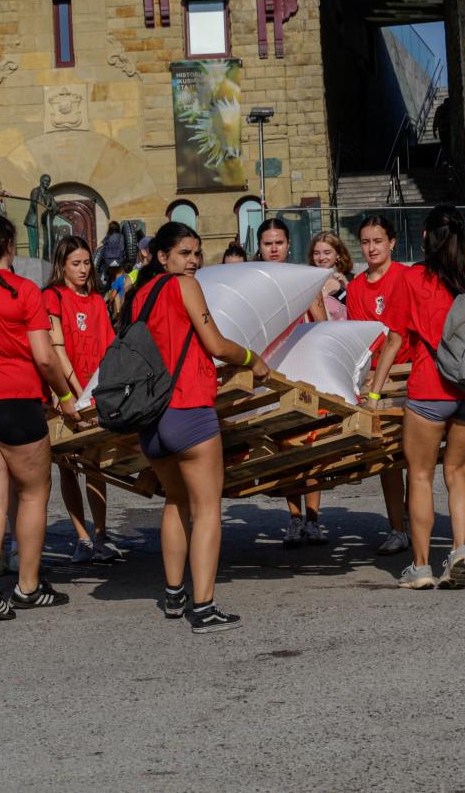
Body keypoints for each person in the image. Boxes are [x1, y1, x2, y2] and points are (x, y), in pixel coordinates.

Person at [125, 221, 270, 633]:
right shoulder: (183, 287)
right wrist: (251, 358)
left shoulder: (139, 297)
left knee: (175, 502)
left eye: (196, 253)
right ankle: (203, 607)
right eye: (184, 253)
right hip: (188, 408)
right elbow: (215, 343)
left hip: (151, 419)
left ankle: (174, 595)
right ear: (162, 256)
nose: (192, 260)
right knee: (207, 510)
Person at [0, 213, 80, 621]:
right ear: (10, 245)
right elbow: (44, 357)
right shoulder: (25, 291)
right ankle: (27, 586)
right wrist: (64, 395)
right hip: (15, 398)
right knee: (32, 493)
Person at [363, 205, 465, 591]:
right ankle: (460, 549)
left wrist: (376, 390)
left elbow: (395, 338)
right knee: (457, 472)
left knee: (419, 475)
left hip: (431, 388)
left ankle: (420, 567)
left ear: (425, 236)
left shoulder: (415, 279)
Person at [42, 235, 121, 564]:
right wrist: (70, 391)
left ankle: (101, 534)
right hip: (65, 395)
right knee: (68, 467)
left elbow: (108, 347)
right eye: (76, 263)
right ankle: (82, 537)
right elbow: (55, 348)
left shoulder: (95, 300)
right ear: (62, 265)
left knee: (96, 466)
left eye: (87, 263)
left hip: (94, 394)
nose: (84, 269)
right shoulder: (52, 296)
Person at [254, 217, 325, 544]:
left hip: (304, 370)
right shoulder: (253, 280)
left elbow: (322, 323)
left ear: (288, 245)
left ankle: (313, 518)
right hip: (271, 371)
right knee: (283, 448)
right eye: (268, 243)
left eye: (278, 242)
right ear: (260, 247)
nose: (273, 248)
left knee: (312, 446)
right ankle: (294, 516)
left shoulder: (304, 279)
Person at [346, 215, 410, 556]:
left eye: (378, 241)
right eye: (366, 242)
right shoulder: (356, 287)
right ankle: (397, 527)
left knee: (415, 454)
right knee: (387, 456)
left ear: (391, 243)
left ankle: (415, 517)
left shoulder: (406, 276)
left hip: (410, 373)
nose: (372, 248)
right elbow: (363, 336)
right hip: (377, 380)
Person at [307, 233, 351, 322]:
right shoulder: (308, 282)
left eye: (327, 253)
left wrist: (348, 288)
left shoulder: (351, 279)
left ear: (338, 254)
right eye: (316, 253)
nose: (321, 258)